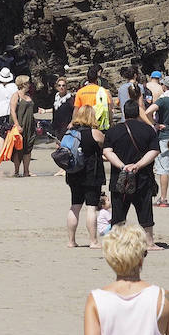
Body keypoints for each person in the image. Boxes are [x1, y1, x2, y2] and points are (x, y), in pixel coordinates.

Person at [103, 99, 161, 247]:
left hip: (120, 179)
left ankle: (117, 242)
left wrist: (123, 166)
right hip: (142, 178)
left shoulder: (113, 131)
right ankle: (149, 242)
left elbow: (107, 152)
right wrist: (138, 165)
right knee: (145, 212)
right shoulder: (148, 130)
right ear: (138, 113)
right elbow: (154, 151)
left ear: (124, 112)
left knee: (118, 214)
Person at [65, 104, 107, 248]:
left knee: (75, 206)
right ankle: (93, 241)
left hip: (74, 172)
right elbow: (104, 147)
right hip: (91, 173)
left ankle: (71, 241)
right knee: (91, 207)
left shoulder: (70, 132)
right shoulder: (95, 133)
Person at [10, 75, 38, 176]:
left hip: (30, 125)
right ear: (23, 84)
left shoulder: (28, 96)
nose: (29, 84)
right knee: (18, 149)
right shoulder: (16, 95)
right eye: (28, 83)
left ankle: (26, 171)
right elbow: (12, 111)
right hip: (20, 125)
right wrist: (17, 124)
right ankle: (16, 171)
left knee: (28, 148)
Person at [0, 67, 18, 169]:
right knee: (11, 132)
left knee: (0, 133)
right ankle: (11, 153)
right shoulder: (14, 87)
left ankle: (1, 153)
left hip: (1, 111)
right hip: (11, 112)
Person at [75, 65, 112, 131]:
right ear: (97, 78)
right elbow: (109, 108)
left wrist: (73, 122)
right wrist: (110, 122)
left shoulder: (80, 92)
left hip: (85, 125)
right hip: (99, 125)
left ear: (87, 78)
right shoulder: (103, 91)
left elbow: (76, 109)